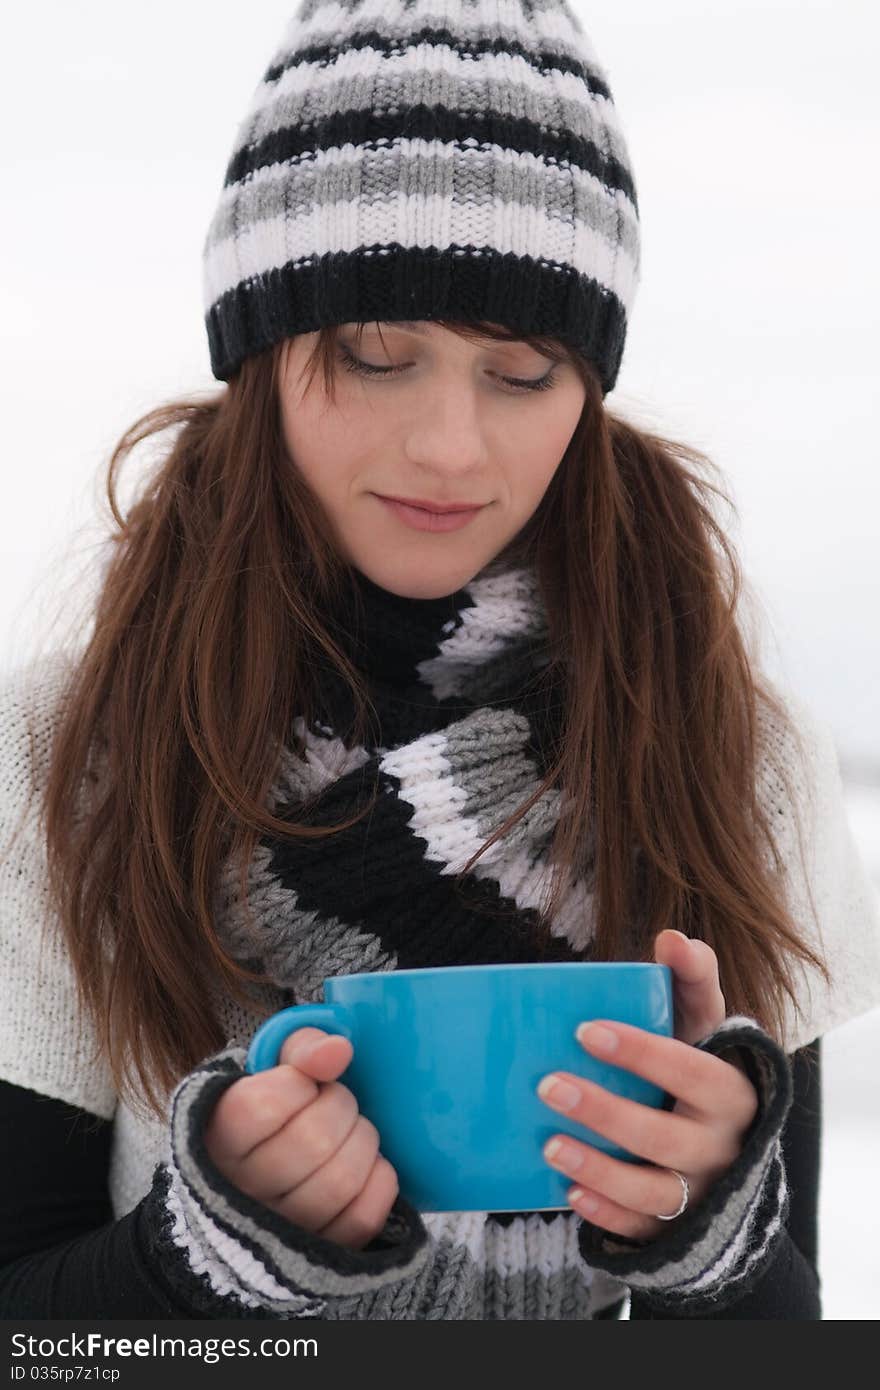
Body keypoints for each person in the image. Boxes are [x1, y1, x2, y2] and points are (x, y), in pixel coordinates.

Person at [1, 0, 879, 1321]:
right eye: (374, 353)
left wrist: (716, 1238)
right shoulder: (68, 753)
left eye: (522, 369)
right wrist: (204, 1256)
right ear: (259, 349)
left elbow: (783, 1339)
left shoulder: (733, 752)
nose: (453, 447)